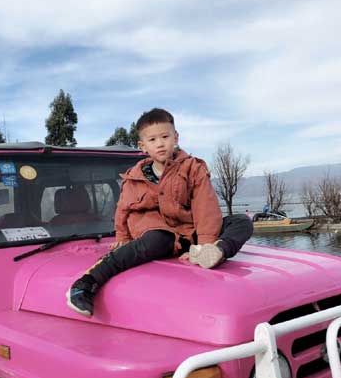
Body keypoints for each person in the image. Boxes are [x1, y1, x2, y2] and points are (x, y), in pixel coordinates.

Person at [66, 108, 253, 317]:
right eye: (153, 139)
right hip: (157, 233)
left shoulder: (193, 168)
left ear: (176, 137)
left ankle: (216, 251)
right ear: (143, 146)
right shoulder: (135, 177)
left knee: (242, 221)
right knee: (156, 239)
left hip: (191, 234)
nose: (160, 144)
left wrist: (204, 244)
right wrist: (122, 237)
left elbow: (205, 207)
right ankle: (86, 283)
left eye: (165, 137)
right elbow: (123, 208)